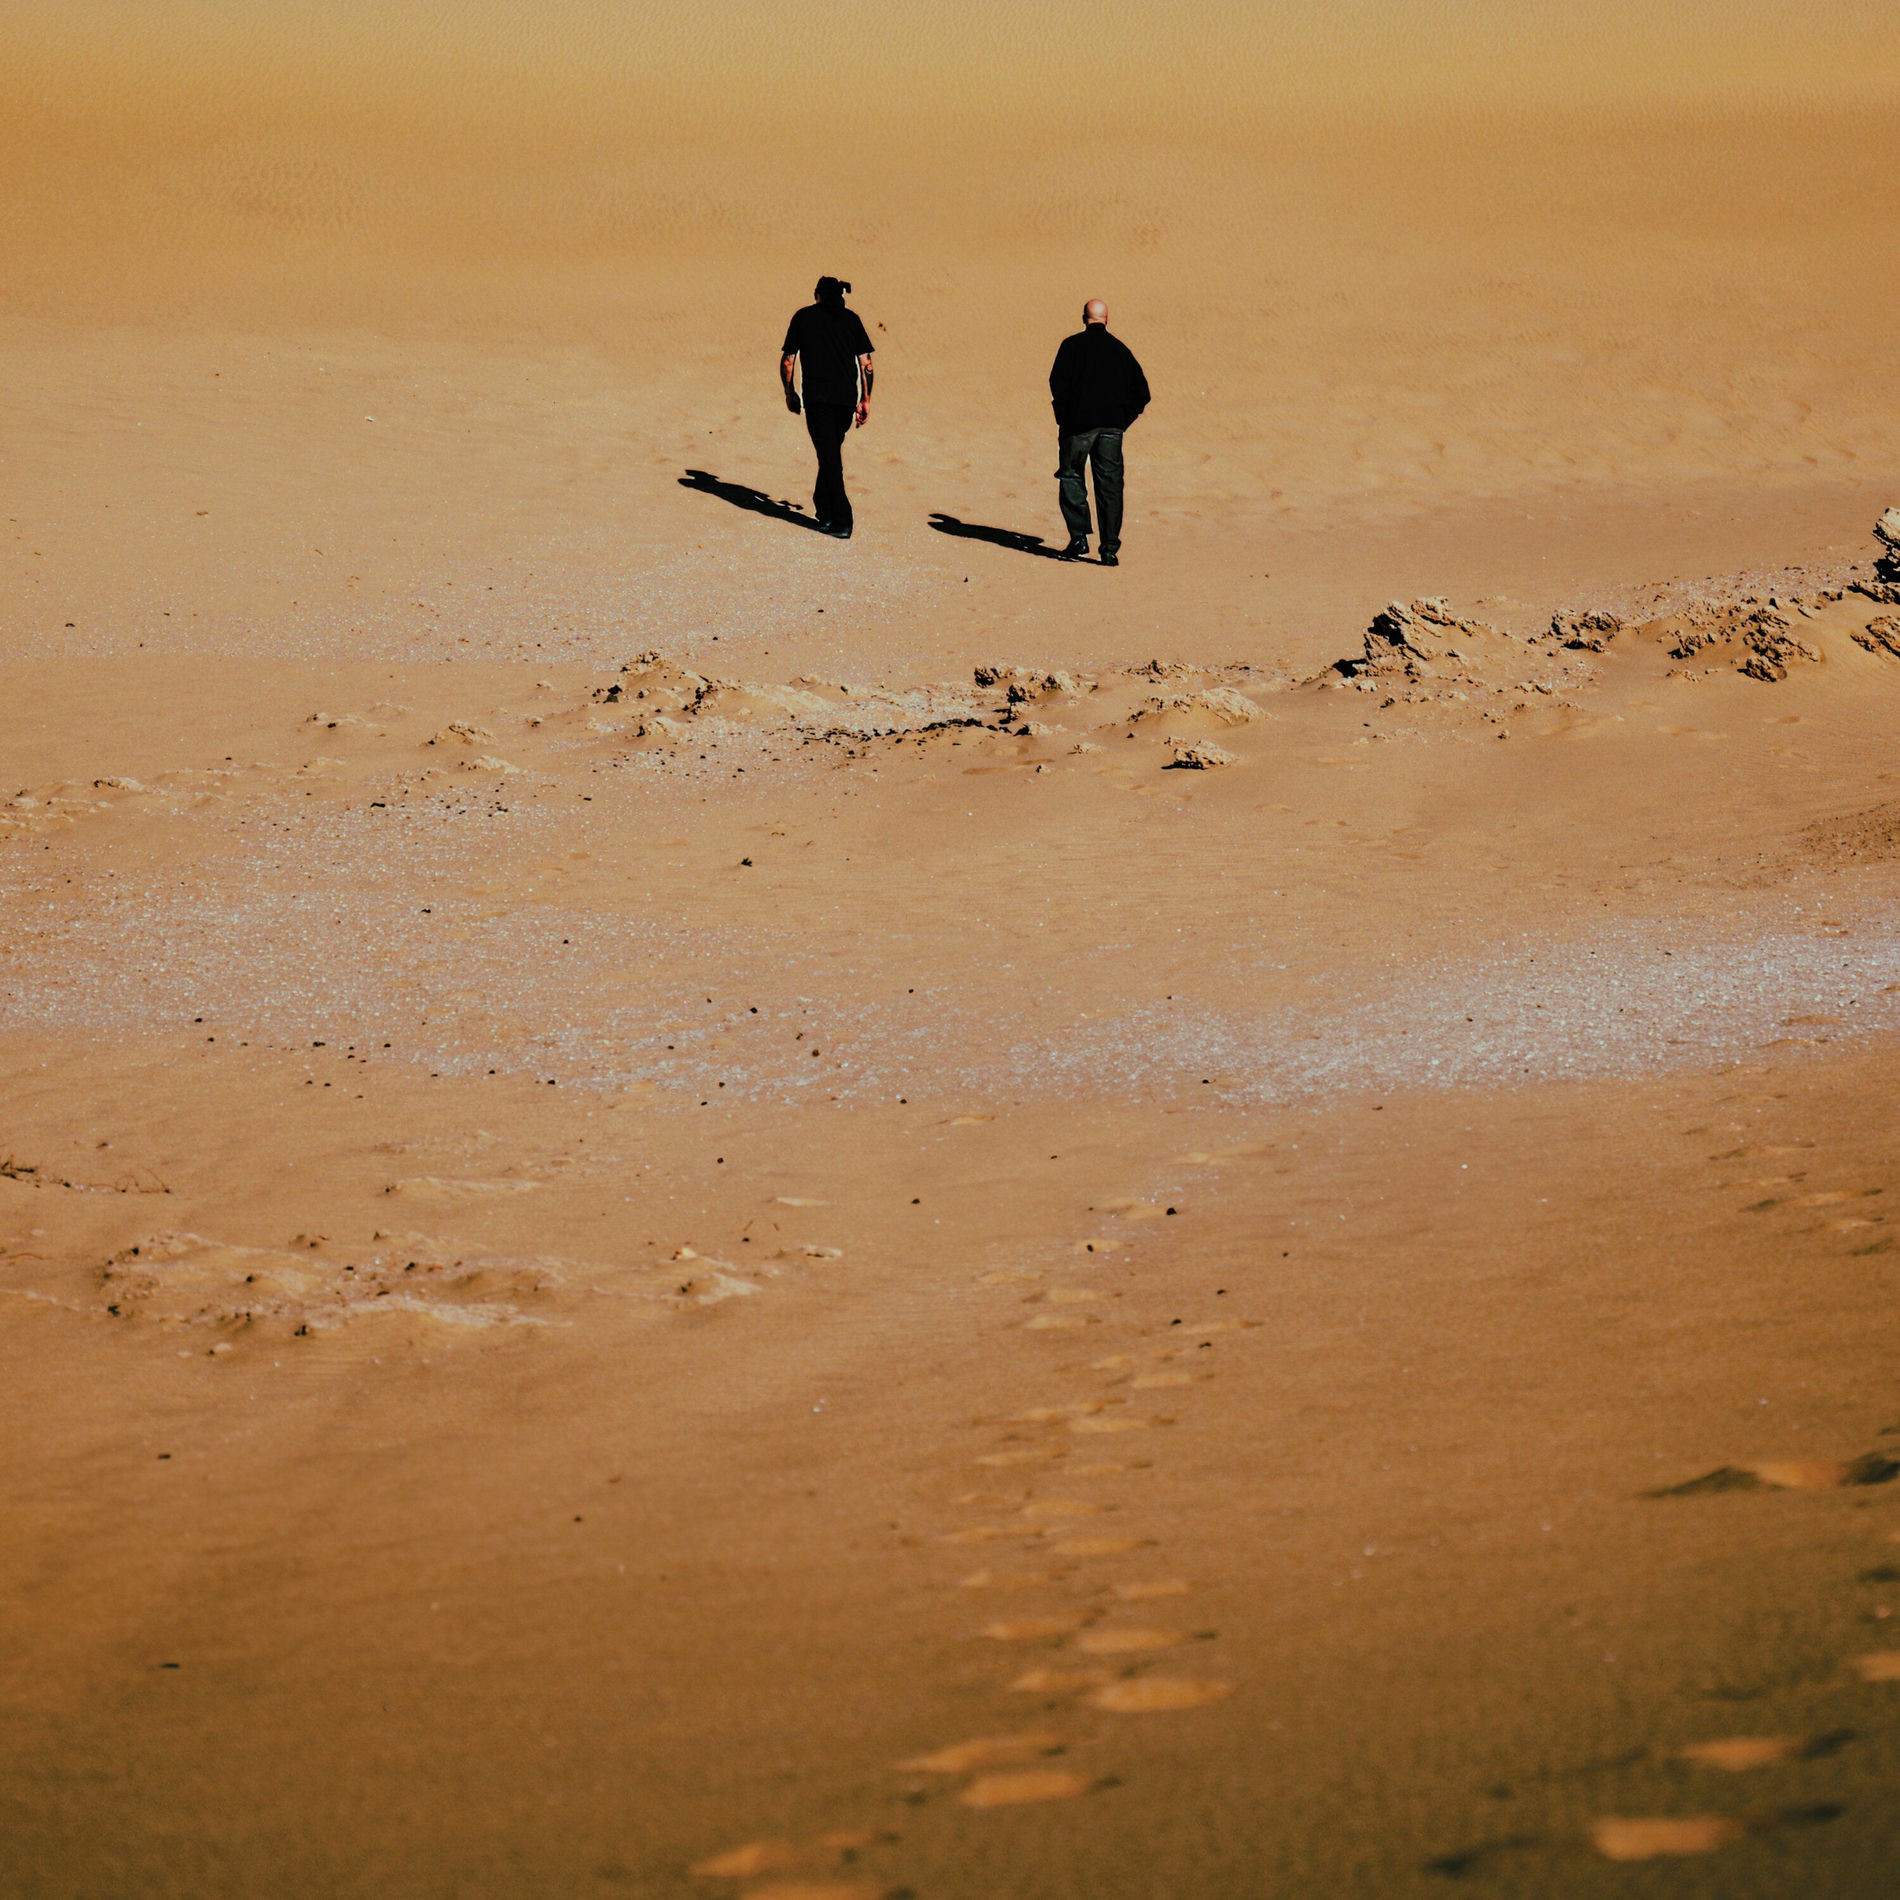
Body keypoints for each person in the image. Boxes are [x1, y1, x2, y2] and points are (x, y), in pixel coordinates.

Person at [1048, 300, 1149, 566]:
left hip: (1078, 427)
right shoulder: (1120, 350)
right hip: (1111, 429)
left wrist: (1065, 416)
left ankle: (1079, 537)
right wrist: (1121, 421)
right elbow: (1142, 392)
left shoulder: (1071, 346)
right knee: (1110, 487)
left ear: (1084, 319)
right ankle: (1109, 549)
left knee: (1070, 475)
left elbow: (1057, 383)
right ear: (1107, 319)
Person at [781, 277, 874, 538]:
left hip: (818, 399)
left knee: (830, 458)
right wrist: (865, 399)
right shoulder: (852, 319)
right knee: (829, 454)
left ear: (817, 294)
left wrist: (790, 393)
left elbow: (788, 360)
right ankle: (824, 509)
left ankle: (842, 519)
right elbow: (866, 362)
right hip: (845, 400)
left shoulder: (803, 317)